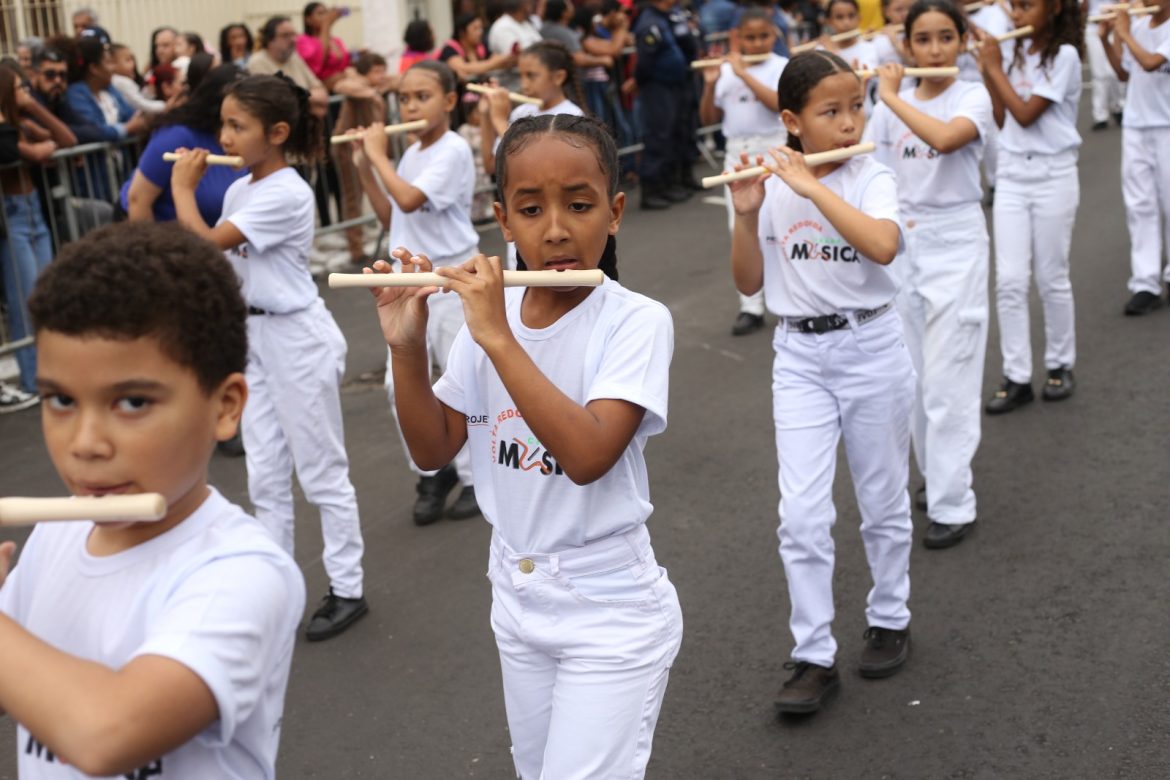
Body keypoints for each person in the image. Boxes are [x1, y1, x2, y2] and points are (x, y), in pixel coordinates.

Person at [366, 112, 683, 780]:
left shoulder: (635, 321)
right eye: (531, 209)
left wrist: (496, 337)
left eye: (579, 205)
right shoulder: (493, 320)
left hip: (608, 605)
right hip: (515, 590)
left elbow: (588, 456)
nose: (556, 229)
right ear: (503, 220)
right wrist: (405, 346)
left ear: (615, 212)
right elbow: (433, 449)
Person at [0, 221, 305, 776]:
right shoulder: (57, 533)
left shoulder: (243, 571)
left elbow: (106, 734)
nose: (86, 444)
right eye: (61, 400)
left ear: (225, 407)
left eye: (133, 402)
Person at [727, 51, 914, 714]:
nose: (849, 122)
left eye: (856, 107)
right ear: (791, 121)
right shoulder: (772, 183)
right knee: (801, 514)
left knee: (881, 498)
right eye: (830, 111)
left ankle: (890, 615)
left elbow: (883, 245)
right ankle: (813, 653)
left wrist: (811, 188)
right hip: (799, 356)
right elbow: (749, 282)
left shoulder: (871, 176)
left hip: (871, 346)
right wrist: (746, 214)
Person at [170, 74, 369, 641]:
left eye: (238, 126)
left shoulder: (287, 191)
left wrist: (182, 190)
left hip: (296, 338)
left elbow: (206, 242)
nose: (224, 137)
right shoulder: (240, 190)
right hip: (253, 336)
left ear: (277, 133)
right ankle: (275, 589)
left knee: (321, 472)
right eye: (224, 125)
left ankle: (348, 587)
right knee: (265, 474)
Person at [866, 0, 993, 549]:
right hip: (904, 243)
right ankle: (937, 475)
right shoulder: (885, 108)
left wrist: (891, 95)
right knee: (912, 378)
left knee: (949, 379)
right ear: (906, 45)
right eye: (923, 39)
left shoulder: (972, 95)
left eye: (946, 37)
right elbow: (873, 177)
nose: (935, 50)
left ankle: (953, 500)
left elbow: (945, 139)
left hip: (956, 240)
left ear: (963, 42)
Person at [349, 61, 482, 524]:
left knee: (462, 378)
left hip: (450, 277)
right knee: (399, 385)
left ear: (449, 101)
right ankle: (433, 471)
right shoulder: (409, 155)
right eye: (404, 98)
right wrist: (366, 167)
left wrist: (378, 154)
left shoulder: (453, 149)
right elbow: (393, 217)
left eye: (422, 97)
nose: (410, 107)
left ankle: (474, 477)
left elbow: (410, 198)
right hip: (412, 283)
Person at [976, 0, 1083, 413]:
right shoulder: (1013, 52)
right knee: (1009, 281)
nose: (1017, 16)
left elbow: (1026, 115)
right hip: (1012, 175)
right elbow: (1004, 120)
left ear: (1053, 8)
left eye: (1027, 6)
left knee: (1052, 276)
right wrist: (989, 72)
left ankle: (1060, 363)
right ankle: (1016, 375)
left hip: (1054, 174)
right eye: (1014, 7)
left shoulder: (1065, 55)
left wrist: (994, 68)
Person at [698, 7, 787, 337]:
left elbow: (778, 104)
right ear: (738, 38)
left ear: (773, 36)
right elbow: (708, 118)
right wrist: (710, 86)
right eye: (750, 37)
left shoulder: (781, 66)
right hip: (737, 153)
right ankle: (751, 306)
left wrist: (743, 73)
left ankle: (787, 297)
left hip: (773, 149)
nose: (757, 43)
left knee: (780, 224)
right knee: (741, 226)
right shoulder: (725, 71)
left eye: (763, 36)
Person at [0, 62, 74, 413]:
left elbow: (67, 140)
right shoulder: (6, 131)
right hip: (12, 215)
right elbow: (26, 153)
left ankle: (54, 373)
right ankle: (33, 379)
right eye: (20, 88)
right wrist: (36, 147)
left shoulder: (21, 123)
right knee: (25, 299)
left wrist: (31, 107)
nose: (26, 93)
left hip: (34, 212)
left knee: (47, 293)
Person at [1099, 4, 1170, 314]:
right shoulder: (1139, 27)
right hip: (1136, 126)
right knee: (1139, 205)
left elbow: (1151, 63)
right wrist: (1106, 39)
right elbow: (1124, 72)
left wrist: (1124, 32)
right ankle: (1145, 282)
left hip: (1167, 126)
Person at [122, 64, 246, 224]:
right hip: (160, 233)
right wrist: (150, 241)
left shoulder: (248, 142)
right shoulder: (176, 136)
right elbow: (137, 200)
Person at [633, 0, 702, 209]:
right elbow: (645, 61)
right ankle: (652, 189)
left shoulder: (668, 16)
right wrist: (641, 82)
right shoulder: (650, 22)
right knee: (658, 136)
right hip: (658, 86)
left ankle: (669, 183)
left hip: (674, 85)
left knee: (675, 134)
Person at [480, 40, 586, 172]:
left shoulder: (573, 117)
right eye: (521, 76)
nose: (524, 85)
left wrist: (500, 121)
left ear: (558, 77)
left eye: (531, 76)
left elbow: (539, 165)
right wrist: (486, 114)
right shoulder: (521, 112)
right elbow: (491, 165)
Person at [248, 16, 331, 117]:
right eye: (285, 35)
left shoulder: (294, 57)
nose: (293, 40)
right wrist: (311, 100)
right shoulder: (257, 62)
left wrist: (305, 98)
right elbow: (279, 100)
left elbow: (320, 90)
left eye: (294, 34)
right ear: (270, 40)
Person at [439, 13, 518, 85]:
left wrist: (507, 59)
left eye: (481, 28)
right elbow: (463, 68)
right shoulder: (450, 49)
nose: (480, 32)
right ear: (462, 32)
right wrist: (494, 63)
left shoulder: (481, 48)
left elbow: (494, 59)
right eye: (475, 28)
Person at [540, 0, 615, 72]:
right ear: (564, 13)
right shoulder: (562, 32)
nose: (572, 7)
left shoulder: (544, 28)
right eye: (569, 5)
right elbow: (578, 59)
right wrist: (603, 60)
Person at [1084, 0, 1125, 130]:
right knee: (1099, 74)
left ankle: (1119, 106)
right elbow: (1082, 8)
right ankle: (1100, 116)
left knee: (1114, 70)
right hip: (1093, 27)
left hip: (1113, 25)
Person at [488, 0, 544, 89]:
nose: (533, 4)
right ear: (522, 4)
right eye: (529, 2)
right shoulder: (503, 26)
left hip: (535, 75)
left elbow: (542, 46)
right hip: (512, 82)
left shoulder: (526, 23)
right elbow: (514, 58)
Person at [299, 2, 352, 88]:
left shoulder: (336, 40)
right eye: (320, 13)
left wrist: (355, 56)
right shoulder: (303, 40)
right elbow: (318, 61)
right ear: (308, 20)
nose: (325, 17)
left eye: (326, 13)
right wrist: (326, 25)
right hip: (321, 86)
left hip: (342, 81)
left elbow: (344, 65)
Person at [110, 43, 167, 116]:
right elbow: (140, 104)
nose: (133, 64)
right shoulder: (121, 81)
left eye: (132, 59)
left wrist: (148, 92)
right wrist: (165, 106)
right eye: (128, 60)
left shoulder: (122, 80)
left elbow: (137, 98)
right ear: (113, 64)